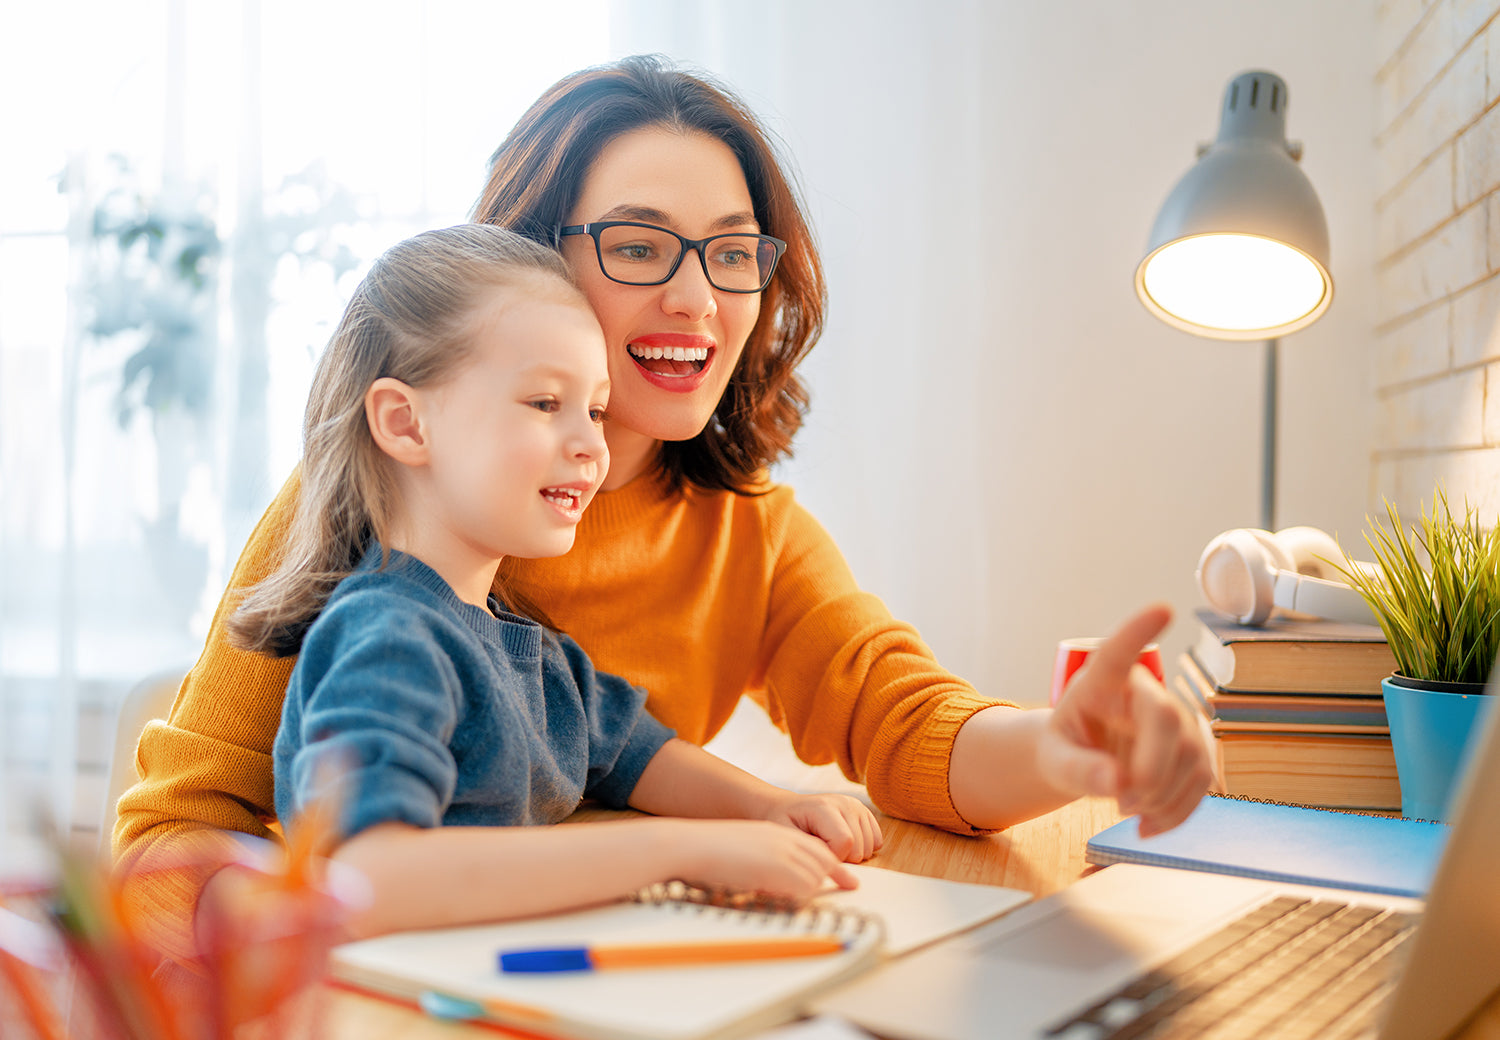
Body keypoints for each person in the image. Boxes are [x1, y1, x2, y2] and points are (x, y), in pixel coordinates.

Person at [115, 54, 1213, 967]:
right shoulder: (367, 512)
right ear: (530, 261)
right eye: (639, 245)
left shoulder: (748, 531)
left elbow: (911, 723)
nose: (697, 298)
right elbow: (170, 843)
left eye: (734, 253)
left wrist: (1067, 751)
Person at [238, 223, 878, 938]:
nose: (592, 445)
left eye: (596, 410)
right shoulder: (388, 640)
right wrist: (676, 850)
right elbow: (365, 880)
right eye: (546, 403)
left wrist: (766, 809)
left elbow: (636, 752)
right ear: (404, 423)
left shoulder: (533, 657)